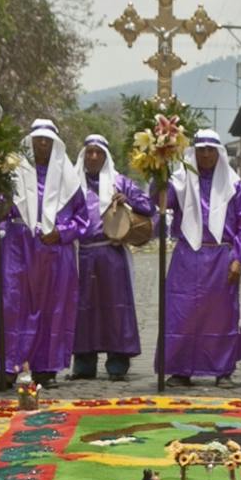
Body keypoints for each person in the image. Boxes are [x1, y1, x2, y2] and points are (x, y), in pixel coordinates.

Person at [0, 119, 88, 390]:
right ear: (28, 144)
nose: (42, 144)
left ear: (55, 145)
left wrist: (62, 232)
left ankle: (45, 367)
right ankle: (4, 366)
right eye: (37, 140)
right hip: (18, 247)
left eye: (47, 140)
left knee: (52, 309)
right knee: (9, 304)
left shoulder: (70, 181)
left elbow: (82, 219)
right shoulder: (12, 175)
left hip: (55, 253)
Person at [158, 128, 241, 387]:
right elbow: (159, 205)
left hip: (222, 256)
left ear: (219, 153)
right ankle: (180, 369)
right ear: (194, 153)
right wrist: (157, 173)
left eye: (211, 150)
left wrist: (240, 259)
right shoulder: (179, 181)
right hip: (187, 255)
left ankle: (222, 370)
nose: (206, 155)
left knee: (220, 315)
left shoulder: (233, 185)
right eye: (201, 150)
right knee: (182, 311)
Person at [72, 132, 148, 381]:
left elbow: (149, 206)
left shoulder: (120, 182)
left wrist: (129, 201)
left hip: (112, 254)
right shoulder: (71, 183)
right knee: (83, 309)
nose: (93, 157)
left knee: (115, 308)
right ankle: (84, 364)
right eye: (90, 152)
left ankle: (117, 363)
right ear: (84, 156)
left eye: (98, 153)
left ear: (105, 157)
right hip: (81, 254)